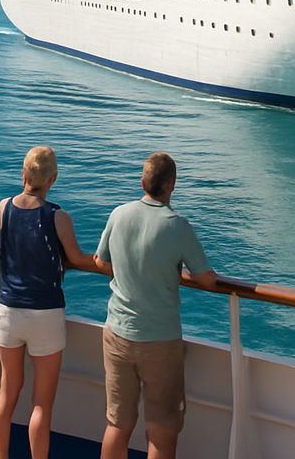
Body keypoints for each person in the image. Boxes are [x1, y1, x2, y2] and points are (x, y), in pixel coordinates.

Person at [96, 153, 215, 459]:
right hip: (160, 341)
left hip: (118, 334)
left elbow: (100, 261)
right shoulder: (178, 226)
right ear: (171, 185)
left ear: (143, 182)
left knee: (117, 424)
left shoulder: (119, 214)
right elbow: (206, 278)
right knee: (162, 430)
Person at [0, 146, 97, 459]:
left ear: (23, 174)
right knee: (41, 405)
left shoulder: (4, 207)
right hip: (45, 315)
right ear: (54, 178)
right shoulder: (57, 217)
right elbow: (77, 258)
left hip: (9, 312)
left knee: (7, 393)